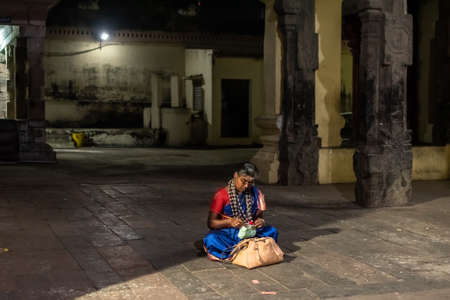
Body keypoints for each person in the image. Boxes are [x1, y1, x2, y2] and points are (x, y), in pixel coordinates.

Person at [202, 162, 278, 261]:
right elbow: (211, 223)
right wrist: (229, 222)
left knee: (272, 231)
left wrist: (260, 221)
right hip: (229, 233)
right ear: (235, 175)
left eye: (250, 182)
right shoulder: (221, 195)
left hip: (250, 232)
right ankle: (249, 249)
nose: (246, 186)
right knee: (212, 238)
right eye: (243, 181)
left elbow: (259, 216)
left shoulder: (256, 193)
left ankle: (240, 250)